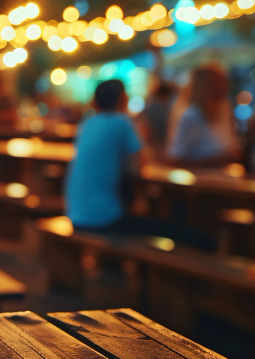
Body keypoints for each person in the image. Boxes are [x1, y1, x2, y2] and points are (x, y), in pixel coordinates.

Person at [65, 79, 215, 251]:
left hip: (76, 216)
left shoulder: (87, 122)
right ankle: (207, 251)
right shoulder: (121, 122)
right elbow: (140, 165)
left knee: (150, 219)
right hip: (104, 220)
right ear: (122, 99)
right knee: (183, 233)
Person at [167, 64, 239, 167]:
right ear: (206, 85)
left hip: (225, 173)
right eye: (219, 81)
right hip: (202, 176)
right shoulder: (191, 116)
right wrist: (216, 160)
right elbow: (176, 159)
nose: (226, 85)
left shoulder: (224, 107)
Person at [137, 79, 176, 159]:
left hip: (153, 150)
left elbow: (145, 132)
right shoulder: (171, 109)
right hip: (167, 150)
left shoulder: (149, 110)